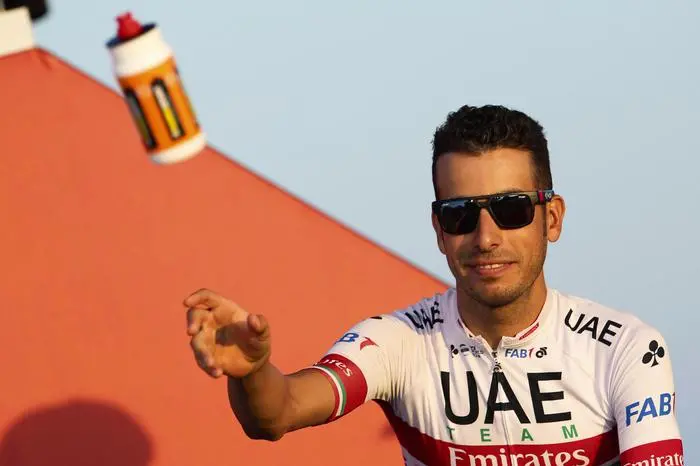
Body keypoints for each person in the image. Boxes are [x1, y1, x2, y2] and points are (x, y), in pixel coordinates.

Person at [184, 105, 684, 465]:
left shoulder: (625, 349)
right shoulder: (398, 342)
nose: (486, 238)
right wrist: (251, 373)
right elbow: (279, 412)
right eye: (461, 215)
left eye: (511, 210)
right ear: (439, 230)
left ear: (551, 218)